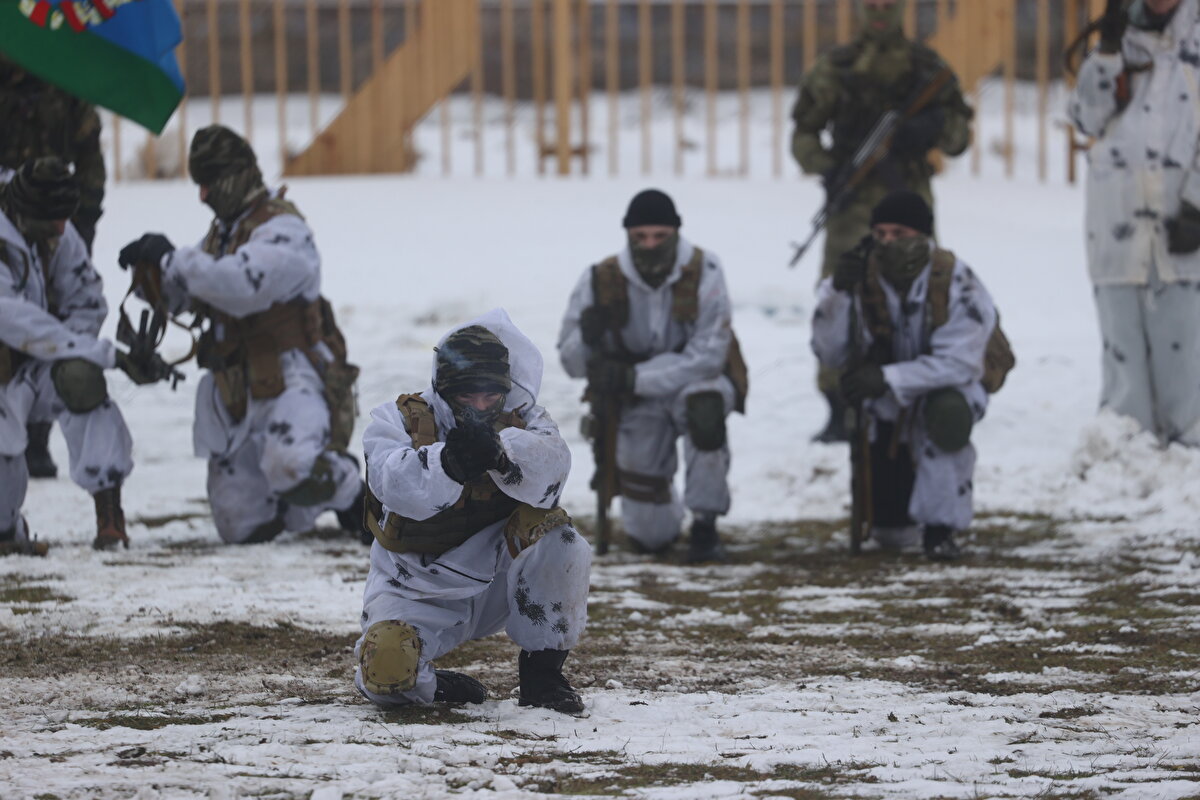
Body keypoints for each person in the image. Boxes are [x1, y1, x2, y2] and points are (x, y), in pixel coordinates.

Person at [118, 125, 364, 545]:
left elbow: (240, 285)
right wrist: (151, 276)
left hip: (293, 381)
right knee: (239, 526)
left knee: (290, 465)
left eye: (210, 184)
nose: (204, 196)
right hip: (236, 388)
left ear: (240, 175)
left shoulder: (284, 230)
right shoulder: (222, 234)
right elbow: (191, 295)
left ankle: (355, 497)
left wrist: (172, 259)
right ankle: (290, 508)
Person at [356, 309, 591, 713]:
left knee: (560, 537)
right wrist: (450, 463)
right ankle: (430, 682)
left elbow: (555, 467)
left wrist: (504, 457)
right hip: (417, 590)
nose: (481, 405)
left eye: (490, 394)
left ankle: (543, 676)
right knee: (386, 674)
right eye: (467, 395)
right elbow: (393, 483)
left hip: (500, 582)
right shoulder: (396, 421)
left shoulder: (523, 417)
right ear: (443, 388)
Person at [790, 0, 973, 443]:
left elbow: (958, 138)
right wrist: (830, 166)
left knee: (922, 296)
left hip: (908, 202)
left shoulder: (927, 69)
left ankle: (923, 392)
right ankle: (838, 405)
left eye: (887, 5)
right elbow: (803, 133)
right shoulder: (836, 67)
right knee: (841, 294)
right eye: (870, 4)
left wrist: (926, 130)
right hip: (852, 208)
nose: (878, 12)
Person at [557, 189, 748, 563]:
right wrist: (588, 338)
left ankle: (705, 523)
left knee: (705, 411)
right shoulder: (600, 278)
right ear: (627, 235)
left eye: (660, 236)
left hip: (695, 384)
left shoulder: (705, 270)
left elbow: (708, 355)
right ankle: (663, 511)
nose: (650, 245)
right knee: (650, 537)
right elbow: (572, 364)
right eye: (640, 237)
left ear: (676, 232)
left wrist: (635, 377)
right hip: (636, 402)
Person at [811, 191, 1003, 561]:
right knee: (892, 534)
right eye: (880, 234)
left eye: (899, 233)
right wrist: (836, 293)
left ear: (922, 236)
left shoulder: (956, 280)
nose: (887, 243)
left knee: (947, 414)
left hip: (950, 390)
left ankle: (941, 529)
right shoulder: (863, 277)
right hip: (886, 403)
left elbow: (961, 364)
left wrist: (888, 377)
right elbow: (829, 351)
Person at [1068, 0, 1200, 446]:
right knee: (1122, 344)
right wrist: (1105, 54)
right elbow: (1086, 117)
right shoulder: (1114, 40)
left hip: (1184, 218)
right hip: (1117, 221)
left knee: (1186, 349)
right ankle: (1126, 445)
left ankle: (1189, 452)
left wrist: (1198, 203)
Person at [0, 157, 132, 554]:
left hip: (35, 365)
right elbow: (10, 317)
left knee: (80, 379)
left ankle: (109, 514)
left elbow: (87, 301)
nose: (62, 229)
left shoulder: (53, 223)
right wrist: (96, 351)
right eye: (53, 222)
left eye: (64, 220)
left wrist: (71, 351)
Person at [0, 56, 108, 479]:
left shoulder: (65, 82)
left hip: (55, 220)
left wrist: (81, 220)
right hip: (7, 216)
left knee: (55, 318)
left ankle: (37, 438)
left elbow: (89, 155)